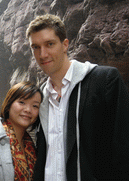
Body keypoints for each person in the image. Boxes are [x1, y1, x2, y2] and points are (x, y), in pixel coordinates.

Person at [26, 14, 129, 180]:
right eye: (35, 47)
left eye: (49, 44)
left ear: (65, 45)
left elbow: (123, 148)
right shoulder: (39, 99)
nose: (42, 54)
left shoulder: (104, 81)